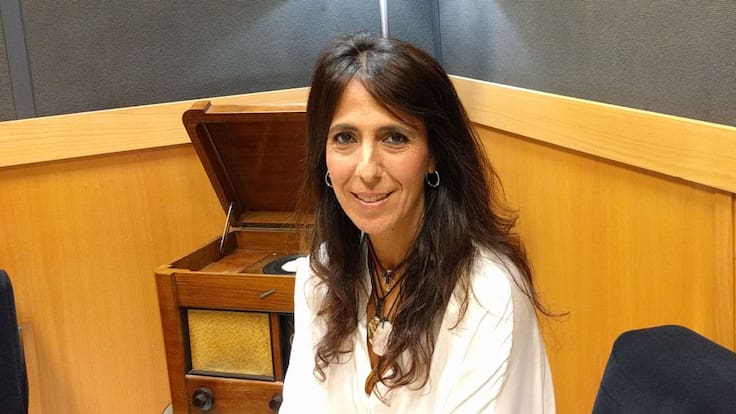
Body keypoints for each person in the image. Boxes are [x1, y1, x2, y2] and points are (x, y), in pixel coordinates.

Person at [280, 32, 555, 413]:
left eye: (394, 137)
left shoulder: (487, 293)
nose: (367, 170)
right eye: (344, 137)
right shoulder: (321, 273)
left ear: (433, 154)